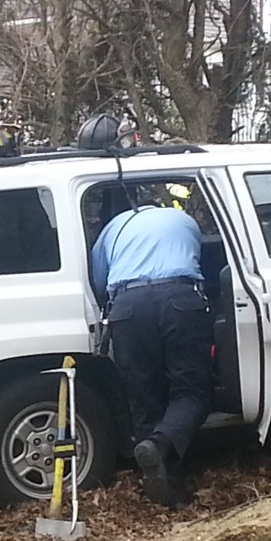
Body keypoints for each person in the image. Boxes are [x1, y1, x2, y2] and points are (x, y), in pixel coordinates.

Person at [90, 191, 213, 509]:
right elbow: (198, 258)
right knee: (192, 392)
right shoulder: (183, 220)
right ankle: (160, 446)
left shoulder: (112, 229)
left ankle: (162, 485)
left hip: (128, 306)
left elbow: (99, 281)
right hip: (180, 300)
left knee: (143, 396)